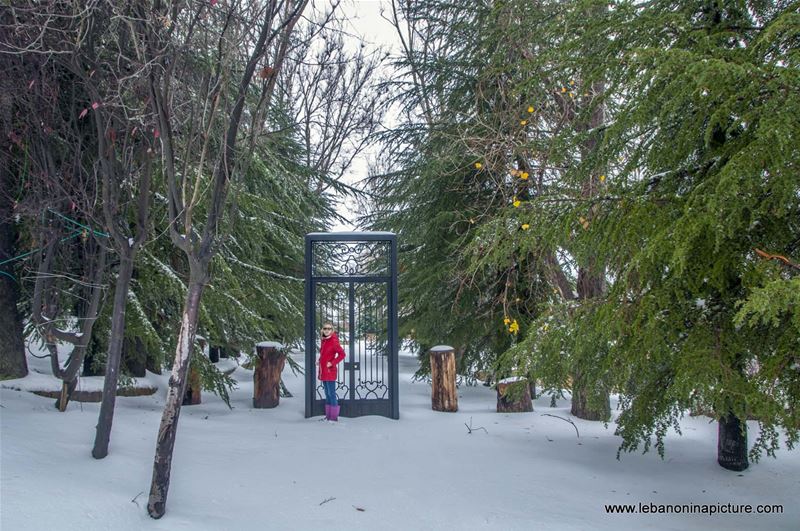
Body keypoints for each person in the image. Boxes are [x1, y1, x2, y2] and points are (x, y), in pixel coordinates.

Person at [318, 322, 346, 421]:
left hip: (330, 371)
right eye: (325, 328)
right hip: (324, 371)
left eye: (329, 328)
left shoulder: (333, 341)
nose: (326, 330)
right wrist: (320, 361)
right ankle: (328, 416)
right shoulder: (324, 340)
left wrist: (332, 363)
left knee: (331, 394)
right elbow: (325, 355)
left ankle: (333, 418)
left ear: (332, 330)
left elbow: (342, 354)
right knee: (327, 393)